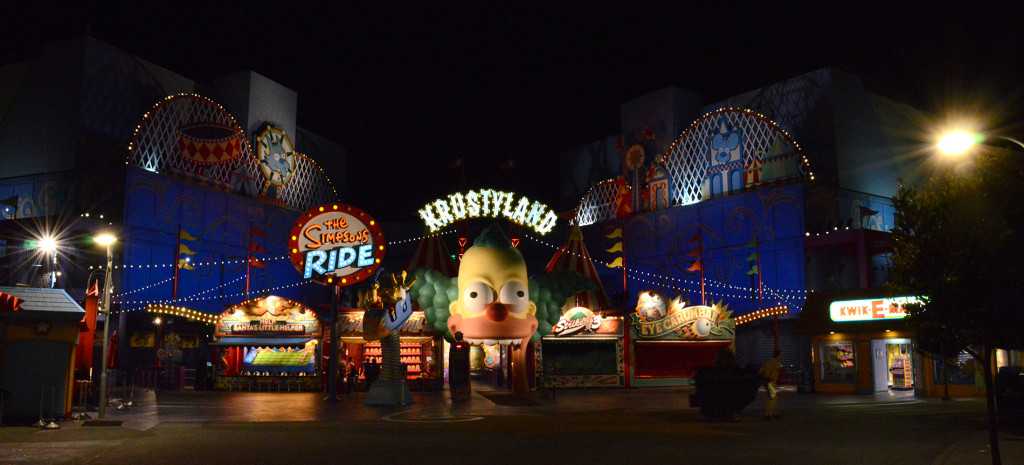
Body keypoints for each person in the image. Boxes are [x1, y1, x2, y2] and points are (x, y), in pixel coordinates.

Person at [759, 350, 782, 420]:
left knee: (770, 397)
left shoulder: (768, 363)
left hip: (766, 382)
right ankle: (769, 414)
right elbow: (775, 373)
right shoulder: (777, 363)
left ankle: (770, 413)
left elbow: (760, 371)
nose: (781, 356)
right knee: (773, 398)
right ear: (778, 355)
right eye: (781, 355)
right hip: (771, 382)